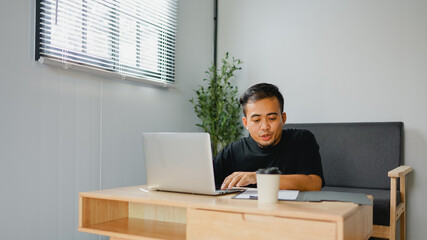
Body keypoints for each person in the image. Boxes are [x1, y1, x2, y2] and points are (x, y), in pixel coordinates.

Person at [214, 83, 324, 191]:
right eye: (256, 120)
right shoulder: (234, 150)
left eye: (271, 118)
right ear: (246, 123)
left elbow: (314, 183)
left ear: (283, 118)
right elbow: (205, 180)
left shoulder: (301, 140)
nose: (265, 127)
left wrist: (258, 178)